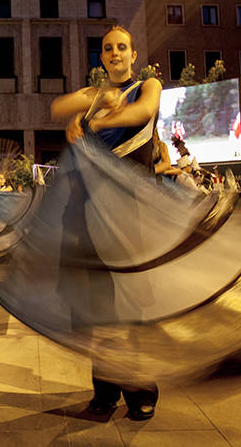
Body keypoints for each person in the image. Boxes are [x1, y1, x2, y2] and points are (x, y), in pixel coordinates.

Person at [51, 25, 162, 421]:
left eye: (122, 47)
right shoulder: (94, 96)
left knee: (129, 306)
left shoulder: (148, 86)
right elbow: (58, 107)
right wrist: (85, 110)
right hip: (85, 212)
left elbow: (142, 112)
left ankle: (139, 391)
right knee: (95, 308)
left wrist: (97, 122)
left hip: (128, 212)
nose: (115, 53)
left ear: (133, 55)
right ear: (102, 57)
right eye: (107, 48)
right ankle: (104, 390)